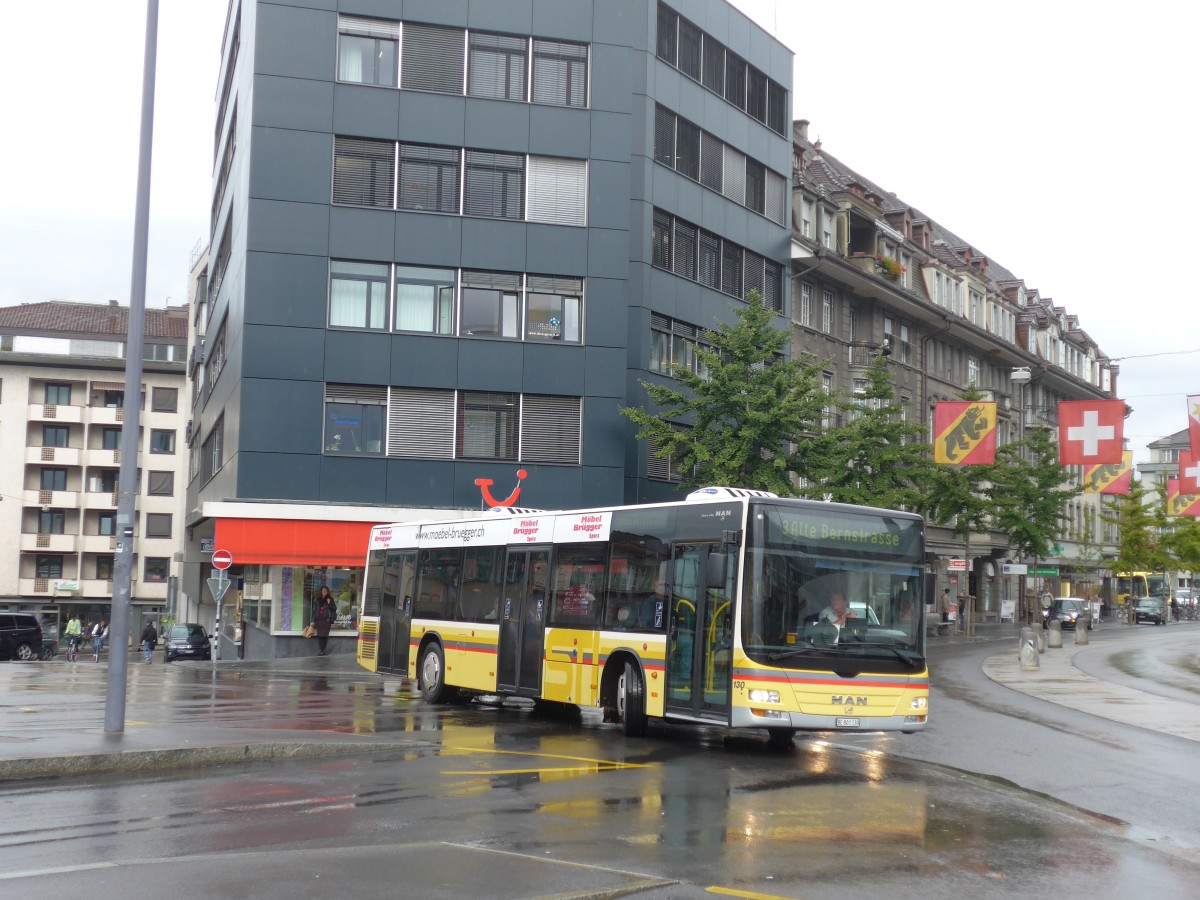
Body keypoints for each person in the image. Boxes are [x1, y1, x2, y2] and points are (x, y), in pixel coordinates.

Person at [311, 586, 336, 656]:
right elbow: (314, 611)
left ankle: (323, 650)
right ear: (321, 591)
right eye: (323, 590)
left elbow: (334, 608)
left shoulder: (330, 599)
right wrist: (313, 621)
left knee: (325, 635)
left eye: (325, 590)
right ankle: (321, 650)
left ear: (327, 591)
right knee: (319, 635)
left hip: (327, 619)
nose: (324, 591)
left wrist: (329, 603)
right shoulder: (317, 600)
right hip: (319, 619)